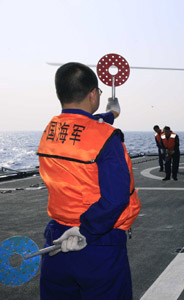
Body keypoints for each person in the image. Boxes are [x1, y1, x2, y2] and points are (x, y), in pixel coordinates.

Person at [37, 62, 141, 299]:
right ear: (93, 94)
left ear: (58, 94)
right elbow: (116, 198)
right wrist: (86, 229)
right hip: (96, 240)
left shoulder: (50, 130)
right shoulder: (107, 139)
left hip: (56, 240)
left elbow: (81, 128)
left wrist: (111, 114)